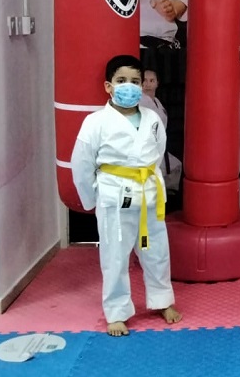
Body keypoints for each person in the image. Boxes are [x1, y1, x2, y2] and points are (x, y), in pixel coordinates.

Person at [70, 55, 182, 336]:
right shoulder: (95, 122)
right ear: (108, 86)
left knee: (157, 253)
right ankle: (117, 312)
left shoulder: (152, 118)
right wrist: (93, 199)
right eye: (121, 81)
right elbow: (81, 164)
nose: (129, 86)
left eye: (135, 81)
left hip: (149, 195)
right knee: (115, 258)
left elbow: (158, 152)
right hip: (115, 197)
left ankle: (162, 301)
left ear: (142, 86)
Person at [138, 69, 182, 193]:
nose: (148, 84)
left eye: (152, 81)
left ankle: (164, 193)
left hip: (159, 145)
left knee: (175, 166)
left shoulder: (156, 101)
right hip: (147, 146)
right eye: (144, 81)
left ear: (157, 83)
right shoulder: (139, 100)